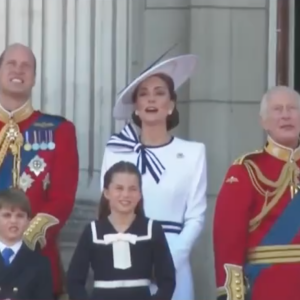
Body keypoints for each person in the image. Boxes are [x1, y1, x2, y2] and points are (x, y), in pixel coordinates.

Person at [100, 54, 207, 300]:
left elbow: (195, 217)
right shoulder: (115, 152)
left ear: (171, 104)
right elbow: (105, 210)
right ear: (136, 106)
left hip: (173, 262)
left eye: (159, 93)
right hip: (122, 259)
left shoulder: (193, 153)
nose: (151, 98)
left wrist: (168, 260)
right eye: (143, 93)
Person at [0, 43, 79, 298]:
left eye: (26, 66)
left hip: (35, 267)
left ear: (34, 77)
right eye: (11, 63)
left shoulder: (59, 131)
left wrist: (24, 239)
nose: (18, 70)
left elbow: (63, 199)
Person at [213, 85, 300, 300]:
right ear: (264, 121)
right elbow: (228, 241)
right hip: (268, 288)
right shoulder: (246, 170)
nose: (286, 115)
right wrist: (232, 295)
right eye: (277, 109)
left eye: (292, 108)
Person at [67, 161, 175, 300]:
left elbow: (168, 280)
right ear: (106, 192)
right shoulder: (93, 231)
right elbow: (74, 280)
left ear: (140, 194)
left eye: (132, 189)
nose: (126, 194)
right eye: (119, 188)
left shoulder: (152, 230)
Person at [0, 188, 53, 300]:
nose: (13, 221)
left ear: (28, 221)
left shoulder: (40, 264)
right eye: (7, 215)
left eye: (20, 216)